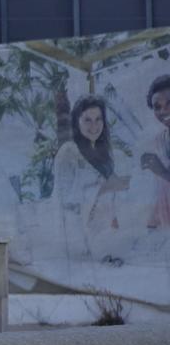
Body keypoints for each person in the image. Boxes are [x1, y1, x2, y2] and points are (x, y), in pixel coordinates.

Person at [51, 95, 126, 261]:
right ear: (76, 122)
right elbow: (65, 200)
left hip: (104, 234)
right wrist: (102, 189)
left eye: (98, 119)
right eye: (87, 120)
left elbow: (114, 190)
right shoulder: (68, 152)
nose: (94, 126)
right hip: (77, 237)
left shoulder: (104, 152)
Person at [143, 74, 170, 232]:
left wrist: (162, 172)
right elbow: (160, 191)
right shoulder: (158, 141)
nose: (164, 111)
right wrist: (152, 223)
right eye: (157, 107)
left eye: (169, 103)